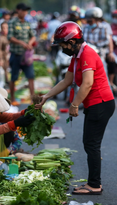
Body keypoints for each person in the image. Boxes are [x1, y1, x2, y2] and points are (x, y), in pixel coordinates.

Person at [36, 21, 115, 195]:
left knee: (91, 145)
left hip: (101, 103)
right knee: (90, 144)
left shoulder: (87, 54)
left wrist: (74, 104)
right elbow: (65, 81)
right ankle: (93, 183)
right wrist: (46, 97)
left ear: (72, 42)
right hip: (95, 103)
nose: (61, 48)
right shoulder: (76, 57)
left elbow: (87, 84)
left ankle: (94, 185)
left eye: (63, 44)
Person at [8, 3, 36, 106]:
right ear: (18, 10)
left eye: (26, 11)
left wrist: (29, 43)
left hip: (26, 56)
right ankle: (12, 98)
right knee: (14, 77)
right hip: (16, 55)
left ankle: (33, 99)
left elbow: (33, 36)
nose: (24, 12)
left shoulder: (27, 23)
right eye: (23, 10)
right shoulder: (12, 22)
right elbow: (10, 37)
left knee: (31, 76)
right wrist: (22, 43)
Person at [83, 7, 110, 75]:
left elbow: (106, 40)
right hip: (87, 58)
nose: (89, 23)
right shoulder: (85, 28)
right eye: (88, 21)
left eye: (90, 21)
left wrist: (95, 43)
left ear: (96, 19)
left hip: (100, 56)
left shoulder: (103, 28)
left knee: (103, 76)